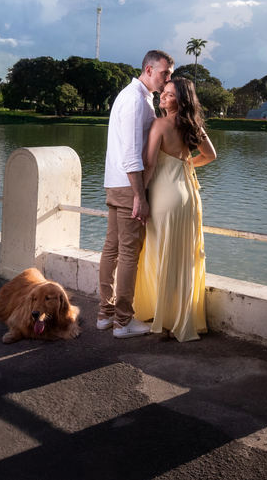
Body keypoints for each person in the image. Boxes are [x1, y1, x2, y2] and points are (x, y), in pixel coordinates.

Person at [97, 50, 174, 338]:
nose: (168, 79)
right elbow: (131, 154)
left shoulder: (138, 97)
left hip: (116, 182)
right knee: (128, 252)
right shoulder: (134, 100)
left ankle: (105, 315)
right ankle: (123, 321)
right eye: (165, 73)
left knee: (113, 247)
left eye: (170, 74)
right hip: (128, 184)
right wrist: (139, 196)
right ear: (149, 68)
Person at [134, 78, 216, 341]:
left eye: (169, 95)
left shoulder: (160, 124)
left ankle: (164, 320)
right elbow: (210, 155)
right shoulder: (193, 125)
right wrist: (186, 164)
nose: (162, 97)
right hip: (187, 196)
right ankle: (179, 319)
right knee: (182, 256)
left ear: (180, 101)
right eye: (163, 93)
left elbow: (148, 164)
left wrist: (139, 198)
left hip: (164, 196)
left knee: (161, 254)